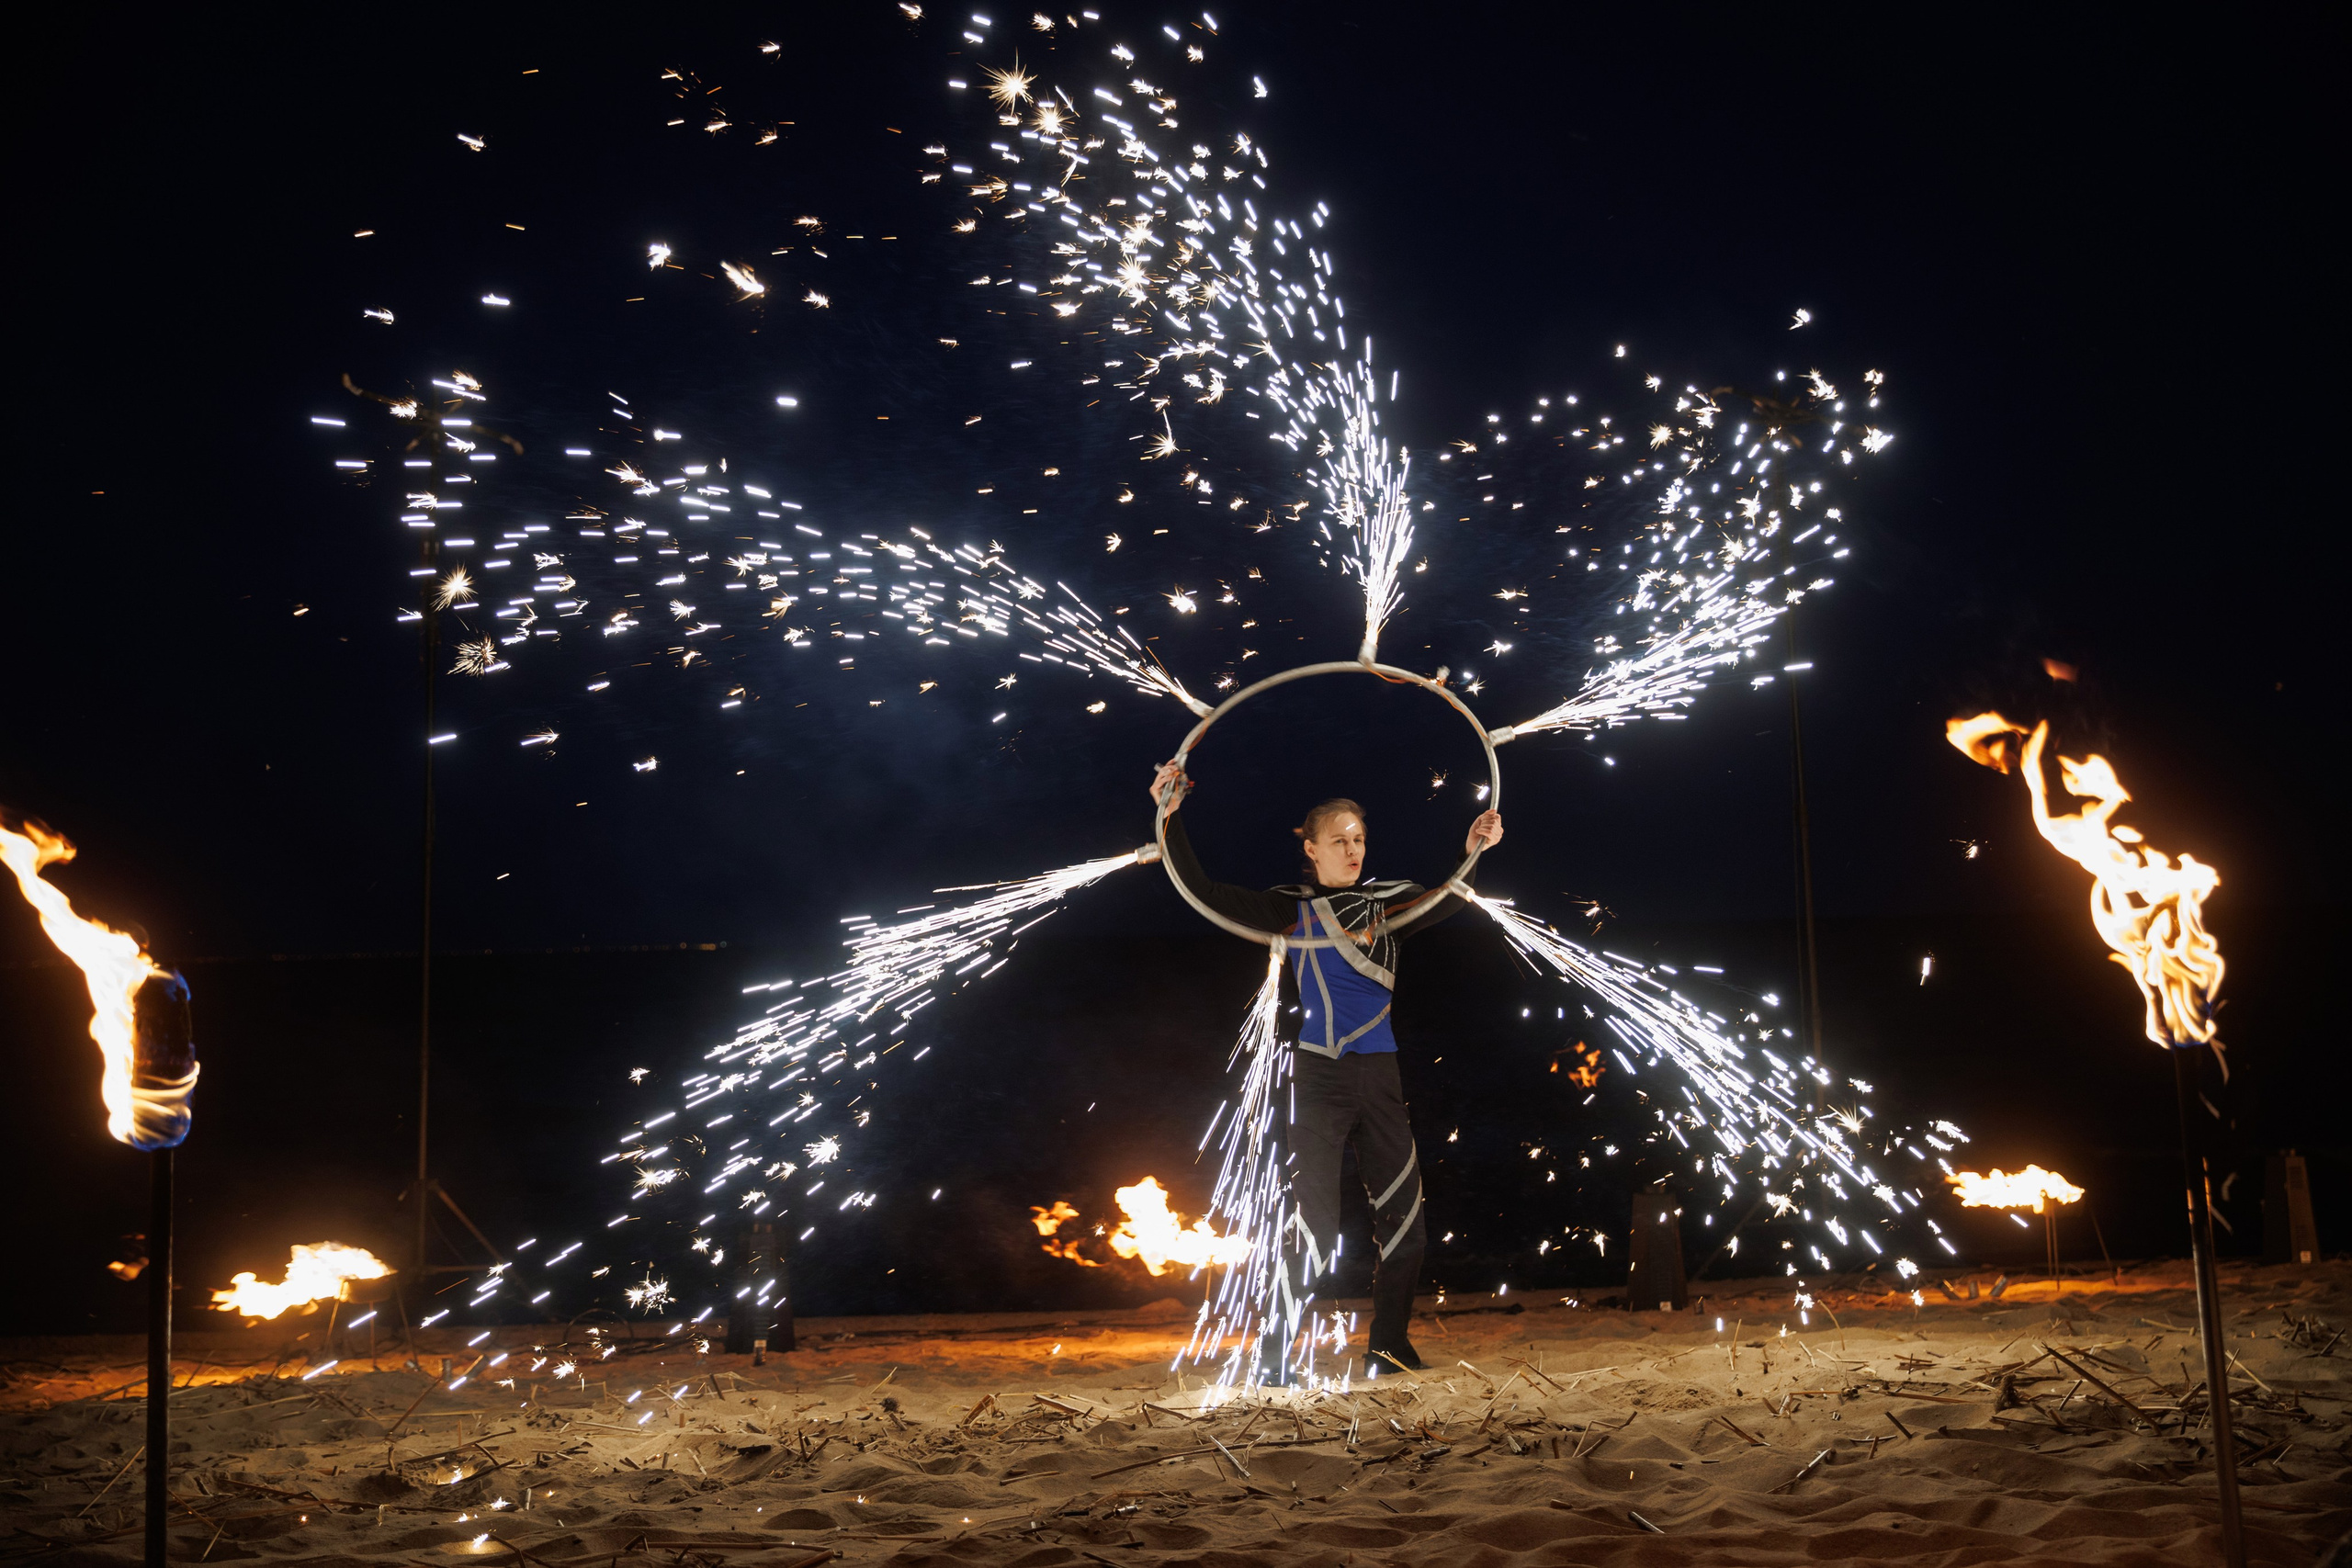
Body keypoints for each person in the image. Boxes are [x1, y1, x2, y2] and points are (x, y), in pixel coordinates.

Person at [1149, 759, 1502, 1378]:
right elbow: (1201, 891)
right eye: (1338, 839)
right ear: (1310, 849)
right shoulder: (1289, 908)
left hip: (1382, 1080)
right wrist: (1169, 817)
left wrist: (1475, 847)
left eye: (1359, 838)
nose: (1352, 848)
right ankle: (1276, 1359)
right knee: (1312, 1235)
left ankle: (1388, 1346)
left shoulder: (1390, 902)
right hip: (1318, 1081)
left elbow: (1448, 897)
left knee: (1407, 1230)